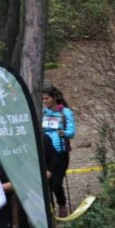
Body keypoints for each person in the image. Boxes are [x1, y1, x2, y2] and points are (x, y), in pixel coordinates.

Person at [42, 86, 75, 217]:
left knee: (56, 183)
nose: (45, 101)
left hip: (60, 153)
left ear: (54, 97)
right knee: (47, 184)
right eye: (43, 99)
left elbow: (72, 132)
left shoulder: (65, 112)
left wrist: (64, 133)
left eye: (47, 98)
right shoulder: (44, 113)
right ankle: (50, 213)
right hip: (46, 154)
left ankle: (62, 204)